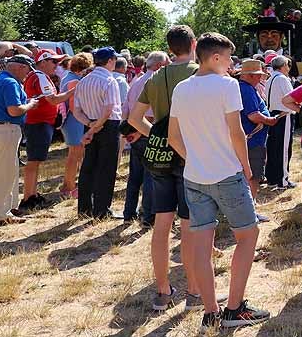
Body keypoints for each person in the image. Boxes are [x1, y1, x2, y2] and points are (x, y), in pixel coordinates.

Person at [168, 32, 270, 330]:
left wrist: (195, 157)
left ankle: (211, 312)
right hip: (227, 174)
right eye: (228, 59)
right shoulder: (227, 86)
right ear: (215, 58)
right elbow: (237, 132)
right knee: (247, 235)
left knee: (200, 245)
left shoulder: (182, 89)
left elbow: (173, 137)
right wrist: (247, 167)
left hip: (194, 177)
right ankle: (235, 308)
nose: (231, 65)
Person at [128, 25, 208, 311]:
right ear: (194, 43)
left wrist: (158, 135)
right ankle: (195, 290)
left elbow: (135, 119)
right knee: (189, 226)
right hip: (191, 156)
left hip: (161, 158)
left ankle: (163, 290)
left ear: (170, 48)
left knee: (162, 224)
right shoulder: (200, 73)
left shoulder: (156, 76)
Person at [0, 55, 41, 225]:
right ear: (20, 67)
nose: (27, 74)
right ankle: (0, 215)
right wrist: (31, 104)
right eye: (27, 70)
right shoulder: (10, 83)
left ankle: (7, 209)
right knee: (4, 174)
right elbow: (14, 111)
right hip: (6, 129)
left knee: (7, 171)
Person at [19, 49, 74, 211]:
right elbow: (53, 100)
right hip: (39, 123)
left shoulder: (37, 76)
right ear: (43, 62)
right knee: (33, 161)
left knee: (35, 161)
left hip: (39, 123)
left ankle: (32, 195)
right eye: (54, 62)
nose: (56, 66)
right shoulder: (40, 76)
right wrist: (74, 91)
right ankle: (28, 198)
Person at [72, 47, 123, 219]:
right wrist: (96, 126)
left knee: (88, 167)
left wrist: (90, 126)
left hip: (91, 123)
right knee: (106, 168)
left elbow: (76, 110)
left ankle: (84, 208)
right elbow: (109, 108)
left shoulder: (83, 82)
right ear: (110, 61)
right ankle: (101, 210)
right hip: (107, 126)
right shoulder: (109, 80)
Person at [123, 51, 168, 227]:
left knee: (134, 177)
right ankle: (148, 216)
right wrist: (141, 132)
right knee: (150, 176)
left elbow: (126, 109)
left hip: (134, 133)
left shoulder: (136, 81)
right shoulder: (154, 82)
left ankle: (129, 213)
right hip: (147, 133)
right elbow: (148, 115)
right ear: (159, 65)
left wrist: (129, 132)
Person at [237, 59, 277, 223]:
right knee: (252, 177)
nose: (260, 78)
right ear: (252, 76)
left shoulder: (242, 88)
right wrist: (270, 120)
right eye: (258, 75)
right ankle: (249, 212)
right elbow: (253, 115)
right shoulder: (246, 90)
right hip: (252, 142)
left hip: (248, 140)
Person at [59, 52, 92, 199]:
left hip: (72, 121)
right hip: (74, 121)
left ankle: (69, 184)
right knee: (75, 154)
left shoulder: (68, 77)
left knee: (75, 154)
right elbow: (73, 106)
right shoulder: (74, 81)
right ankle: (69, 187)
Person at [265, 55, 295, 189]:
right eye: (287, 65)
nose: (288, 68)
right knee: (283, 149)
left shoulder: (270, 77)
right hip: (283, 115)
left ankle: (271, 178)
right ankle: (282, 180)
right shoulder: (282, 79)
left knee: (273, 147)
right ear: (283, 66)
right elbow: (292, 97)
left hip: (272, 114)